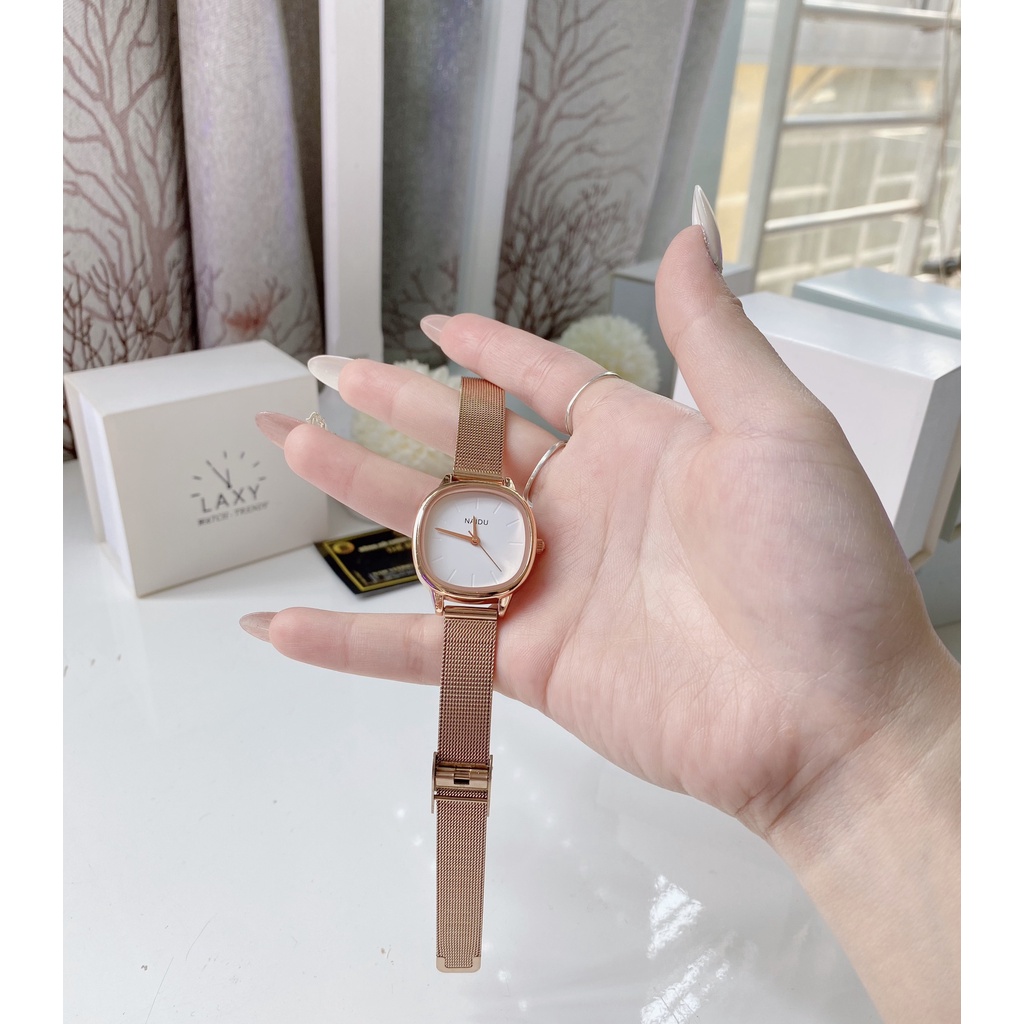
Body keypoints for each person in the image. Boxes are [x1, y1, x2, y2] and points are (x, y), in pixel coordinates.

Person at [241, 193, 960, 1024]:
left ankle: (458, 950)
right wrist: (872, 759)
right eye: (463, 538)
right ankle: (457, 945)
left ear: (525, 547)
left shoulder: (514, 545)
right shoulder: (469, 544)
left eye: (481, 535)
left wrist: (867, 744)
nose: (470, 538)